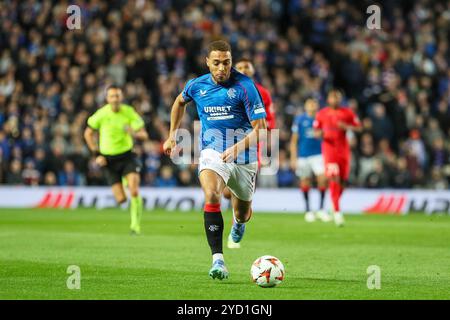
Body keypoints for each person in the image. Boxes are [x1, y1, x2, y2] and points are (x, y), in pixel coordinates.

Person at [163, 40, 267, 280]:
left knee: (242, 213)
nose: (222, 68)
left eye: (227, 63)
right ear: (207, 62)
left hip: (244, 157)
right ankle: (218, 260)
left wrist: (237, 147)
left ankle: (238, 224)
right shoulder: (196, 85)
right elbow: (179, 102)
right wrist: (172, 135)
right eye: (217, 63)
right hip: (213, 152)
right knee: (212, 195)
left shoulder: (245, 86)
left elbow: (261, 129)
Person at [223, 57, 277, 248]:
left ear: (253, 70)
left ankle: (237, 223)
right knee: (226, 193)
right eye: (240, 67)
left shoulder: (262, 93)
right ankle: (236, 218)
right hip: (225, 143)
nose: (244, 69)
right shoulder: (224, 88)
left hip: (252, 147)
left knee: (242, 196)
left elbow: (269, 122)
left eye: (247, 66)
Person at [84, 85, 148, 235]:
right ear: (107, 98)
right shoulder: (100, 114)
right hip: (108, 160)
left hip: (126, 156)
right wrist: (96, 155)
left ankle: (135, 226)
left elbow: (144, 135)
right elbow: (87, 134)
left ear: (121, 97)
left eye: (117, 96)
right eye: (112, 96)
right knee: (121, 200)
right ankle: (125, 182)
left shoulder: (129, 112)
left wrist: (133, 133)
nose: (115, 99)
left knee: (134, 189)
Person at [313, 90, 361, 226]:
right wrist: (320, 133)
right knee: (334, 177)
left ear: (340, 99)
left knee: (343, 181)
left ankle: (333, 205)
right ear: (328, 99)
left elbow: (359, 128)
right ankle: (338, 212)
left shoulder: (347, 113)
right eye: (332, 97)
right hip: (329, 150)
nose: (335, 100)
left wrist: (346, 127)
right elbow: (316, 131)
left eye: (337, 98)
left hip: (343, 150)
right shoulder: (322, 113)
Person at [290, 98, 330, 222]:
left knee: (322, 179)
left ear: (317, 106)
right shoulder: (300, 120)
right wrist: (293, 157)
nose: (312, 106)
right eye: (310, 104)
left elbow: (328, 136)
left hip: (318, 154)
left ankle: (322, 210)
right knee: (305, 181)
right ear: (306, 106)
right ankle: (308, 210)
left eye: (314, 103)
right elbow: (294, 140)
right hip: (303, 155)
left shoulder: (321, 119)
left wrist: (323, 134)